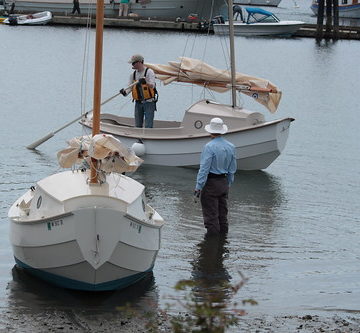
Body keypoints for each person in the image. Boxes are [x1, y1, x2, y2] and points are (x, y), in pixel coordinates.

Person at [194, 118, 236, 235]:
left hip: (211, 183)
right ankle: (223, 244)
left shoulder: (209, 147)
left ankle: (212, 246)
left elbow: (204, 169)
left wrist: (198, 186)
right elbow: (232, 169)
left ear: (210, 131)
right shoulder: (231, 147)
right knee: (223, 216)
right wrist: (228, 183)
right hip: (223, 182)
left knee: (211, 218)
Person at [120, 54, 157, 128]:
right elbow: (129, 88)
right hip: (138, 103)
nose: (132, 65)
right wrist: (124, 92)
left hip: (149, 102)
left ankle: (147, 137)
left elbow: (152, 85)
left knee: (148, 125)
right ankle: (138, 138)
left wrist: (146, 82)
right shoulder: (133, 75)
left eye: (133, 63)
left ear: (139, 62)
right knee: (137, 124)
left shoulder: (149, 72)